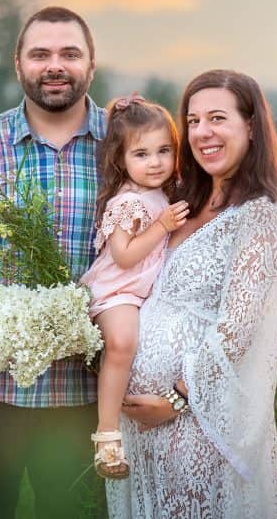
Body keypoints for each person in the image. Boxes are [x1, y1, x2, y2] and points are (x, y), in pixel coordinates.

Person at [0, 6, 277, 519]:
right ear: (19, 65)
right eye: (40, 54)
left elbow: (211, 196)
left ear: (91, 65)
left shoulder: (130, 139)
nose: (54, 65)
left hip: (81, 396)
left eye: (69, 54)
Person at [107, 69, 277, 518]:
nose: (202, 133)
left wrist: (174, 399)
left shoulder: (260, 213)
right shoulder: (178, 197)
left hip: (196, 423)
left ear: (250, 126)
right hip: (142, 431)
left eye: (217, 118)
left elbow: (237, 328)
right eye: (191, 121)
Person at [79, 95, 189, 479]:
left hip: (143, 291)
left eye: (164, 151)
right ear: (121, 159)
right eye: (141, 154)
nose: (155, 162)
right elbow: (123, 256)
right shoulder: (128, 201)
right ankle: (107, 437)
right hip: (117, 290)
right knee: (123, 344)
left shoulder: (166, 189)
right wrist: (161, 226)